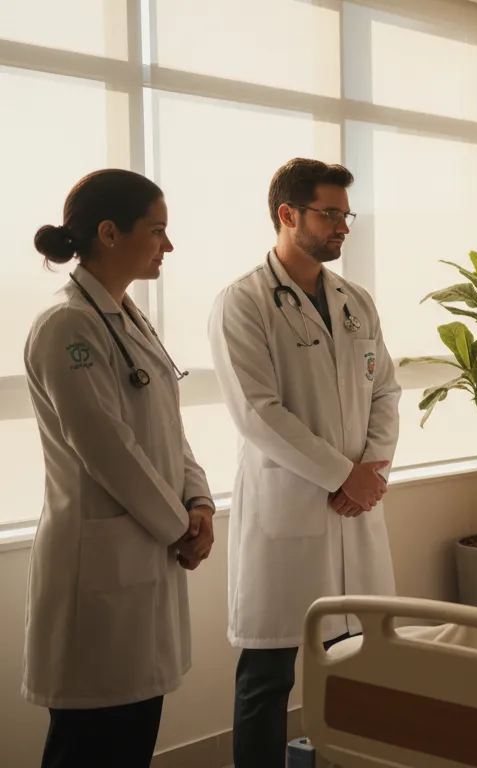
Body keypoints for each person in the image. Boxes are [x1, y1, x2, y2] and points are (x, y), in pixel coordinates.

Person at [207, 158, 401, 768]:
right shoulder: (243, 302)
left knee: (359, 665)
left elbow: (386, 392)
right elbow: (257, 413)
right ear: (287, 214)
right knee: (267, 676)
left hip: (355, 508)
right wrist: (345, 475)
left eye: (347, 215)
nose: (343, 226)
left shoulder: (354, 300)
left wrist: (372, 470)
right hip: (289, 514)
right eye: (330, 213)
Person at [23, 169, 215, 768]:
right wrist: (177, 525)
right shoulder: (67, 326)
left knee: (132, 736)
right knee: (91, 747)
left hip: (146, 550)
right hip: (99, 569)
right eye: (157, 230)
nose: (169, 245)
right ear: (109, 232)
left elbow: (166, 424)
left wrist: (200, 501)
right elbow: (104, 447)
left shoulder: (127, 316)